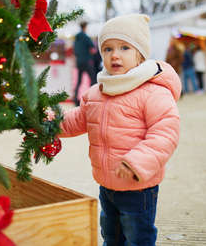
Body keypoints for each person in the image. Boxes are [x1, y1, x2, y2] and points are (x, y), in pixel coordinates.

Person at [59, 14, 181, 245]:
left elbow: (166, 132)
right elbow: (76, 120)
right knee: (111, 235)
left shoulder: (153, 92)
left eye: (125, 47)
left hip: (138, 186)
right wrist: (46, 122)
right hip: (107, 185)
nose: (115, 54)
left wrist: (137, 161)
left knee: (137, 237)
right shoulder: (97, 91)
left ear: (140, 54)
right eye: (107, 49)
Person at [73, 21, 97, 106]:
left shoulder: (76, 38)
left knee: (79, 81)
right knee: (93, 79)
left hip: (79, 61)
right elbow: (93, 49)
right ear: (85, 27)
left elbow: (75, 51)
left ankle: (75, 99)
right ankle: (92, 97)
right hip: (86, 61)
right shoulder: (86, 37)